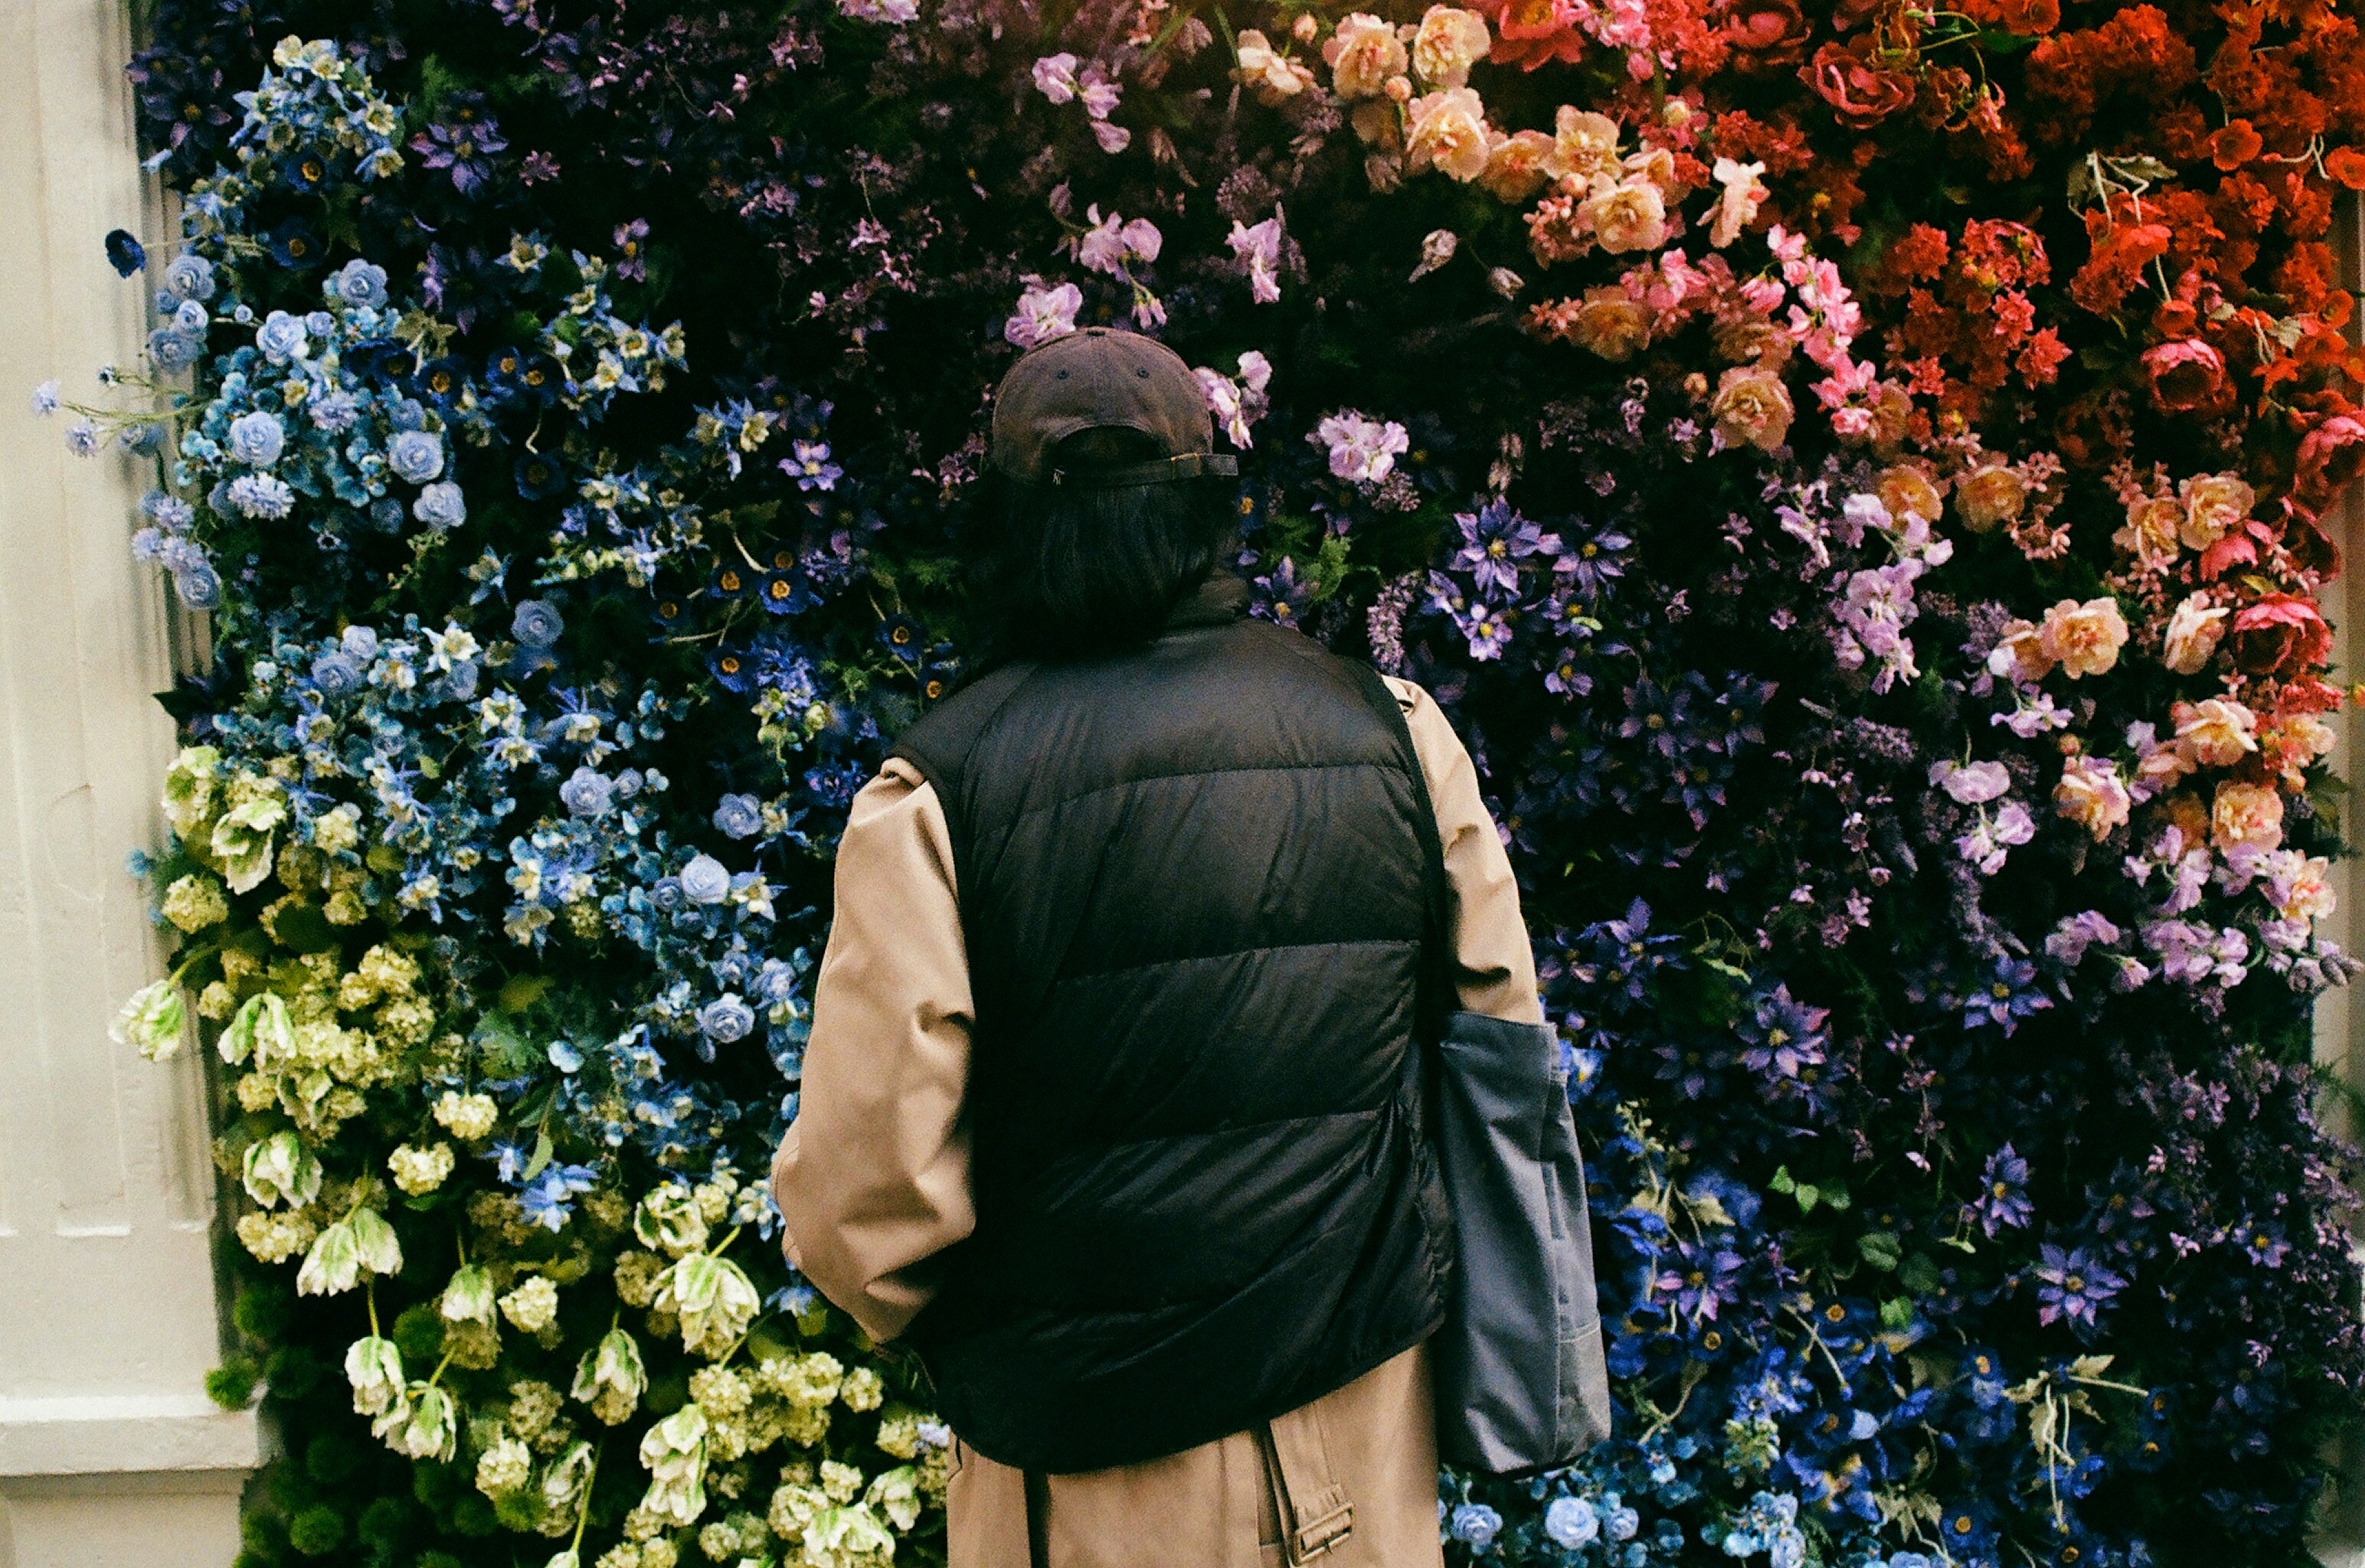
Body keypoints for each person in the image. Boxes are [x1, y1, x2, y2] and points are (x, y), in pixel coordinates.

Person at [770, 326, 1552, 1567]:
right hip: (1359, 1430)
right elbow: (1498, 1056)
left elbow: (873, 1203)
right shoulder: (1394, 730)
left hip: (1090, 1470)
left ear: (1016, 524)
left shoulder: (939, 794)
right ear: (1208, 508)